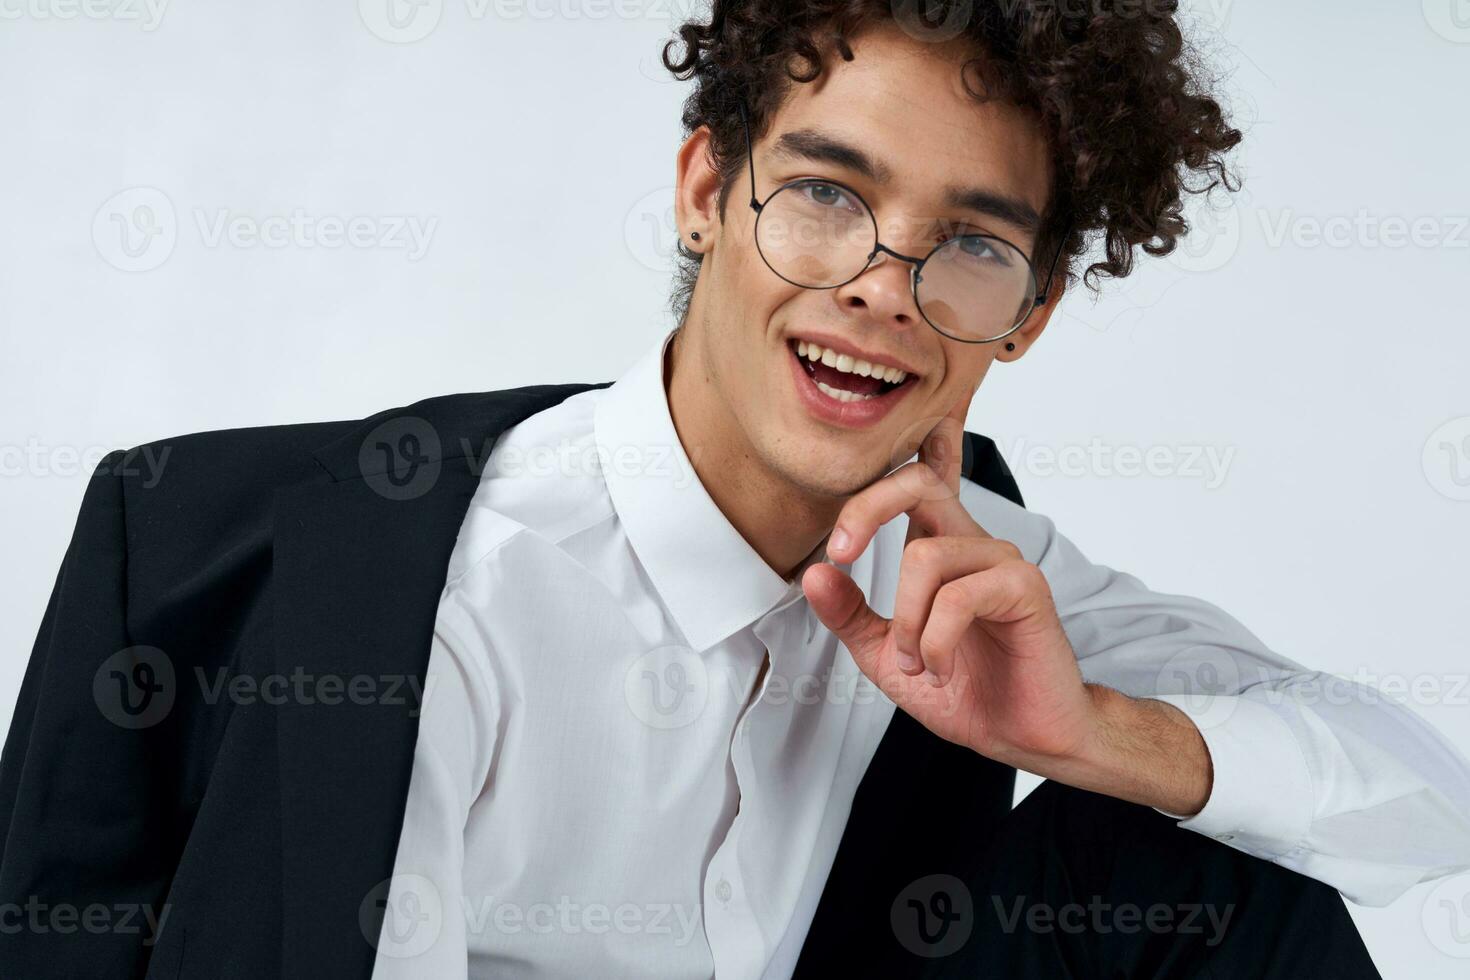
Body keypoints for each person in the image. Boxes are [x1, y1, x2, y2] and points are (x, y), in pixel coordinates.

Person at [3, 3, 1468, 978]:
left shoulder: (978, 566)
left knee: (1215, 880)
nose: (880, 288)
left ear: (1025, 314)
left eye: (967, 243)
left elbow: (1419, 806)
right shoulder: (458, 583)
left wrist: (1091, 733)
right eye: (826, 194)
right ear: (706, 192)